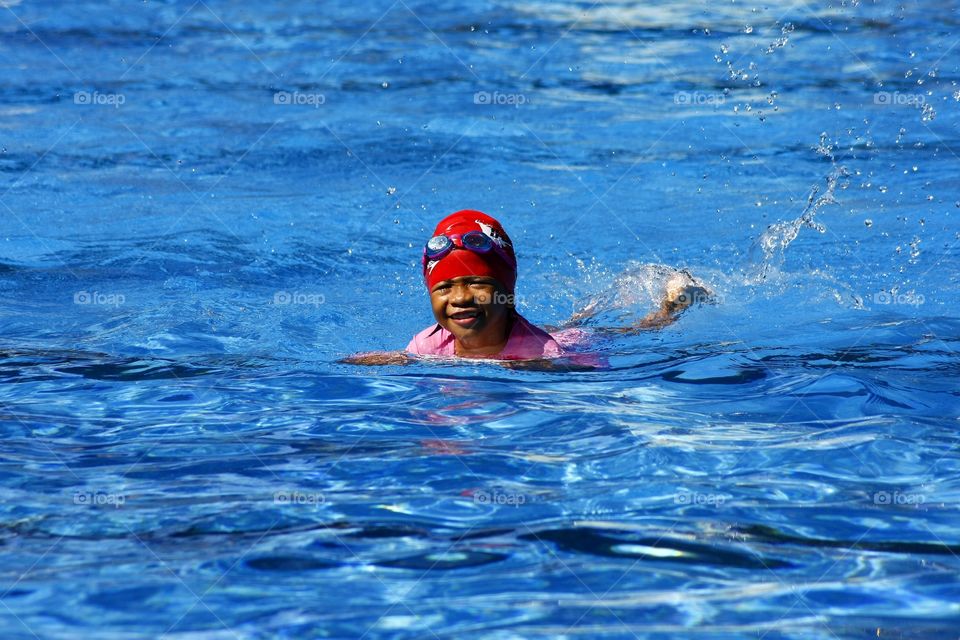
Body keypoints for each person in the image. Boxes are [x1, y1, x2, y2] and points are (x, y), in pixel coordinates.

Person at [341, 209, 709, 367]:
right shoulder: (426, 343)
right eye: (444, 288)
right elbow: (413, 360)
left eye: (477, 284)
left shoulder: (545, 352)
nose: (459, 298)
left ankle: (672, 308)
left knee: (628, 332)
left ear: (507, 292)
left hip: (573, 343)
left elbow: (592, 372)